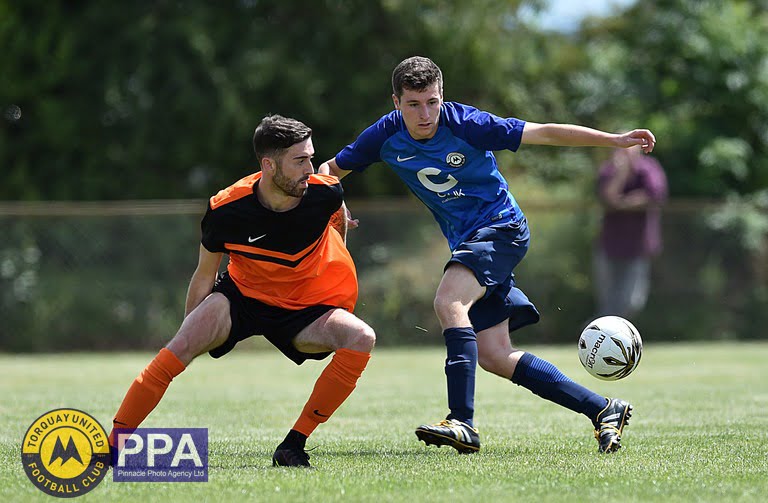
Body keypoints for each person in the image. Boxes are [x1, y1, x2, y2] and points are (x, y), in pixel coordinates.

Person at [318, 56, 656, 454]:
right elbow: (328, 170)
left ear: (442, 96)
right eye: (413, 104)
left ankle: (462, 421)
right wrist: (334, 207)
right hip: (468, 241)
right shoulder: (384, 136)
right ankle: (602, 410)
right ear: (396, 103)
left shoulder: (467, 124)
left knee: (449, 300)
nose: (425, 114)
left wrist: (614, 140)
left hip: (502, 227)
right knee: (495, 355)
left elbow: (545, 133)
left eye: (432, 101)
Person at [108, 114, 375, 468]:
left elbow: (337, 216)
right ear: (268, 164)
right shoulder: (226, 209)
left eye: (311, 157)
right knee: (177, 349)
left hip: (305, 308)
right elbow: (205, 276)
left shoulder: (324, 193)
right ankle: (111, 449)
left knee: (362, 337)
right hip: (243, 297)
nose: (310, 169)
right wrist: (191, 330)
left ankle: (294, 444)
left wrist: (336, 250)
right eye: (300, 160)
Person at [594, 146, 668, 318]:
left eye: (628, 149)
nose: (624, 153)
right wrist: (620, 173)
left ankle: (612, 334)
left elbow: (654, 196)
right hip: (609, 244)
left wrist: (622, 203)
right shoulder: (608, 171)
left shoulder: (648, 168)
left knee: (633, 301)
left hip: (638, 246)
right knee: (608, 300)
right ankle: (600, 338)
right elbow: (608, 197)